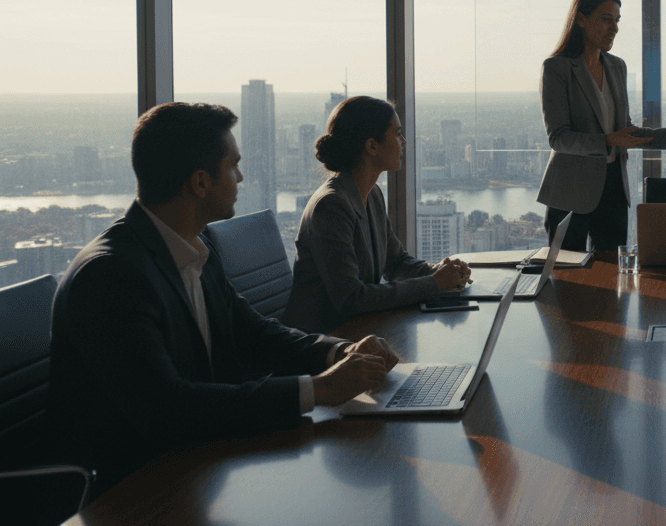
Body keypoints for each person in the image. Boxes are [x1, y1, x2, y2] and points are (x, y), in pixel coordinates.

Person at [48, 103, 399, 495]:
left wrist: (341, 353)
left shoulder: (194, 247)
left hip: (204, 463)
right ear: (200, 182)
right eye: (233, 166)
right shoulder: (112, 276)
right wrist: (318, 390)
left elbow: (256, 334)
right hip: (137, 490)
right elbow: (168, 409)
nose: (241, 176)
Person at [538, 0, 666, 251]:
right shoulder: (557, 68)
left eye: (617, 20)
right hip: (569, 194)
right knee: (567, 281)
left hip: (614, 189)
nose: (614, 28)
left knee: (613, 279)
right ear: (581, 19)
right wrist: (609, 140)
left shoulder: (616, 66)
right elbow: (559, 138)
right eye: (605, 19)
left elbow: (626, 133)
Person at [284, 96, 472, 333]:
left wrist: (440, 271)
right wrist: (434, 283)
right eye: (397, 134)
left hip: (358, 332)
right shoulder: (330, 206)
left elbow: (395, 263)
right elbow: (352, 299)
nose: (403, 142)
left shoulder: (371, 194)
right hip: (323, 342)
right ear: (372, 146)